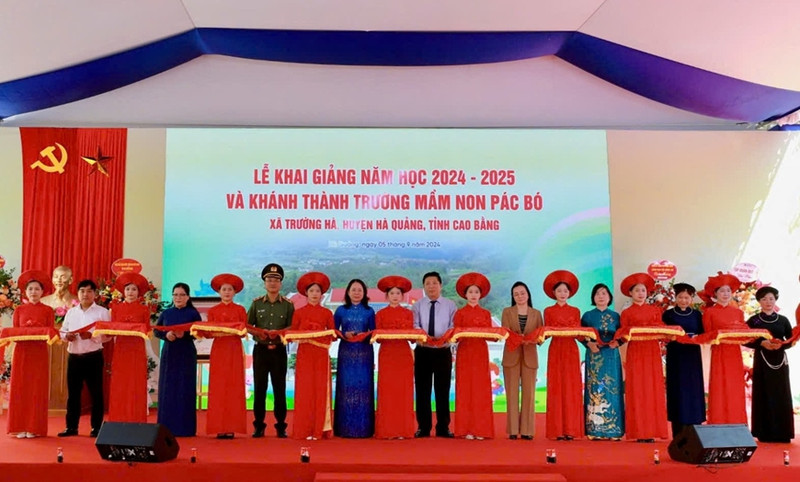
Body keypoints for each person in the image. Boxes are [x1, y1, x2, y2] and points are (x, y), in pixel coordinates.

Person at [618, 272, 668, 442]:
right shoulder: (626, 313)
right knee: (637, 388)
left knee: (653, 387)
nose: (641, 293)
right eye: (637, 290)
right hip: (636, 352)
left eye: (643, 290)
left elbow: (661, 329)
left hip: (652, 351)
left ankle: (653, 429)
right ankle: (639, 431)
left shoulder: (655, 310)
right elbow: (623, 333)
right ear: (630, 293)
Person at [247, 263, 293, 438]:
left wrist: (280, 334)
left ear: (280, 284)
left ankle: (281, 426)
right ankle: (259, 425)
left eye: (276, 280)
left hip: (279, 352)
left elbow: (292, 327)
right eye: (269, 280)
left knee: (279, 389)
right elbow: (248, 326)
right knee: (260, 389)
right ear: (264, 283)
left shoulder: (288, 305)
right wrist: (260, 334)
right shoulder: (257, 304)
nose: (272, 283)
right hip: (261, 351)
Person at [58, 279, 109, 437]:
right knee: (73, 394)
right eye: (82, 291)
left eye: (89, 291)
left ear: (95, 293)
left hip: (93, 357)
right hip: (74, 357)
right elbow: (62, 331)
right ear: (78, 293)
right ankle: (71, 427)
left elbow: (109, 336)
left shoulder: (102, 312)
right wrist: (68, 337)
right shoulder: (71, 312)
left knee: (96, 394)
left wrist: (93, 336)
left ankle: (96, 428)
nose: (85, 294)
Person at [7, 270, 54, 438]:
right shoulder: (19, 310)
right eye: (30, 289)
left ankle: (34, 427)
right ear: (25, 292)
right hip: (22, 353)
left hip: (39, 353)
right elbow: (15, 331)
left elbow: (51, 331)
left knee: (36, 388)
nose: (33, 292)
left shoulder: (48, 310)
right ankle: (19, 426)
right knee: (21, 388)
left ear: (42, 292)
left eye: (37, 289)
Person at [411, 271, 457, 438]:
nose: (431, 286)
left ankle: (443, 427)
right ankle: (423, 427)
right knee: (422, 390)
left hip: (443, 351)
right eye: (428, 283)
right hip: (423, 351)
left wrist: (443, 338)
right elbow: (414, 324)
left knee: (442, 390)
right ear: (424, 286)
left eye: (434, 283)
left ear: (440, 285)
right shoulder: (417, 305)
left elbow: (453, 326)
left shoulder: (450, 305)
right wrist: (425, 337)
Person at [746, 286, 794, 443]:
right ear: (759, 301)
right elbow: (745, 339)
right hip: (762, 360)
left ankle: (783, 433)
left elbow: (791, 339)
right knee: (763, 393)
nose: (768, 302)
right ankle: (764, 432)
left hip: (780, 361)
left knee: (781, 393)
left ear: (775, 300)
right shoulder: (754, 320)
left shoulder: (783, 320)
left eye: (771, 299)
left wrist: (781, 345)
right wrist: (762, 343)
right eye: (764, 299)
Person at [291, 271, 335, 440]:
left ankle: (319, 429)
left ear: (322, 294)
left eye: (318, 291)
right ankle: (304, 429)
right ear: (306, 293)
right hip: (304, 355)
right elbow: (292, 333)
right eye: (312, 291)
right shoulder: (299, 313)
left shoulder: (327, 313)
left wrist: (317, 334)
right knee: (304, 391)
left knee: (320, 390)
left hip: (321, 355)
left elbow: (332, 334)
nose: (315, 294)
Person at [205, 273, 248, 438]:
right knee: (218, 386)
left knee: (233, 385)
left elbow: (243, 332)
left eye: (230, 289)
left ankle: (231, 426)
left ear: (234, 292)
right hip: (219, 350)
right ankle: (218, 427)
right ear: (219, 292)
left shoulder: (240, 310)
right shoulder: (213, 311)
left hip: (235, 349)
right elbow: (209, 333)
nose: (227, 292)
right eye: (224, 289)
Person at [154, 282, 201, 437]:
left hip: (186, 353)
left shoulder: (193, 313)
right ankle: (166, 427)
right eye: (175, 294)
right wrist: (166, 335)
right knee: (168, 388)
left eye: (182, 295)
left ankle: (185, 428)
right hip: (169, 353)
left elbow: (199, 332)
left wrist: (185, 334)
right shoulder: (166, 313)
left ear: (188, 297)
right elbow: (157, 331)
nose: (178, 297)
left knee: (184, 389)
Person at [542, 270, 583, 440]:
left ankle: (571, 429)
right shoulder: (548, 311)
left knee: (571, 387)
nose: (562, 294)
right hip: (556, 349)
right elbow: (546, 332)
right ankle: (557, 429)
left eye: (565, 291)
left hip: (571, 350)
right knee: (556, 386)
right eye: (559, 291)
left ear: (570, 293)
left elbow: (578, 332)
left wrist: (591, 342)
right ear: (553, 293)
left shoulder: (575, 311)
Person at [453, 272, 495, 440]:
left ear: (481, 295)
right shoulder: (460, 314)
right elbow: (455, 335)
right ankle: (466, 429)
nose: (473, 295)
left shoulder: (485, 313)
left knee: (480, 390)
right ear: (465, 294)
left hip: (480, 352)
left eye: (476, 292)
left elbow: (490, 334)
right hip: (464, 352)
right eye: (470, 292)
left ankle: (481, 429)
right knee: (465, 389)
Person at [702, 273, 747, 424]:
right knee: (719, 385)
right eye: (722, 291)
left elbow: (744, 332)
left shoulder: (738, 312)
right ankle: (718, 420)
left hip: (734, 352)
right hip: (719, 352)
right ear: (715, 294)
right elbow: (707, 334)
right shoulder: (709, 312)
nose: (725, 294)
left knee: (735, 386)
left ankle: (737, 421)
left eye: (728, 290)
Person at [374, 275, 416, 439]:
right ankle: (387, 430)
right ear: (387, 296)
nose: (395, 296)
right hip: (387, 355)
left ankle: (403, 430)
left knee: (403, 391)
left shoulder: (408, 314)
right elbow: (378, 336)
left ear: (402, 296)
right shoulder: (381, 314)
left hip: (403, 355)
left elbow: (412, 337)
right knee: (388, 391)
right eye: (392, 293)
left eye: (398, 293)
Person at [333, 278, 376, 438]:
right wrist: (344, 334)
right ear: (348, 292)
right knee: (346, 387)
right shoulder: (340, 311)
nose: (356, 293)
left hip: (365, 354)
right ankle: (343, 428)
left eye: (360, 290)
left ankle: (365, 428)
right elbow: (333, 331)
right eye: (353, 290)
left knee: (364, 388)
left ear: (364, 293)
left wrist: (364, 335)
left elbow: (375, 332)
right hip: (346, 353)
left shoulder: (369, 311)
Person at [581, 283, 624, 440]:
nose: (601, 296)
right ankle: (594, 430)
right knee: (595, 389)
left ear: (609, 297)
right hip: (594, 355)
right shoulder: (587, 316)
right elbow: (580, 334)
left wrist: (617, 343)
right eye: (597, 293)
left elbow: (624, 334)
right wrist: (589, 344)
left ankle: (614, 429)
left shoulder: (616, 316)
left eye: (604, 293)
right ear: (593, 297)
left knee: (613, 389)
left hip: (611, 356)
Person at [501, 281, 543, 440]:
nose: (520, 296)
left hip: (530, 356)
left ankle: (527, 430)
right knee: (511, 393)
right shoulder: (507, 312)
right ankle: (512, 430)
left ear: (528, 294)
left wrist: (533, 339)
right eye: (516, 294)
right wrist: (519, 339)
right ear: (513, 296)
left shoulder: (537, 313)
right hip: (511, 355)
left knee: (529, 394)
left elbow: (541, 336)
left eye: (522, 293)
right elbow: (505, 332)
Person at [662, 283, 705, 437]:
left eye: (687, 297)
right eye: (680, 297)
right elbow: (662, 333)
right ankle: (678, 428)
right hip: (675, 354)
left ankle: (695, 426)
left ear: (692, 298)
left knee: (693, 388)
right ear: (675, 298)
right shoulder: (668, 314)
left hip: (692, 354)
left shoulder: (697, 315)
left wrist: (694, 338)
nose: (683, 300)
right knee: (677, 388)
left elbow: (703, 333)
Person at [107, 272, 150, 423]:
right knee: (120, 382)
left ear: (138, 292)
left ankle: (136, 418)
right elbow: (112, 328)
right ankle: (119, 418)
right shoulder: (116, 308)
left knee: (136, 382)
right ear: (123, 292)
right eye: (128, 289)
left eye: (134, 289)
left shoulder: (144, 309)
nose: (130, 292)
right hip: (121, 348)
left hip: (137, 349)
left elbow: (148, 329)